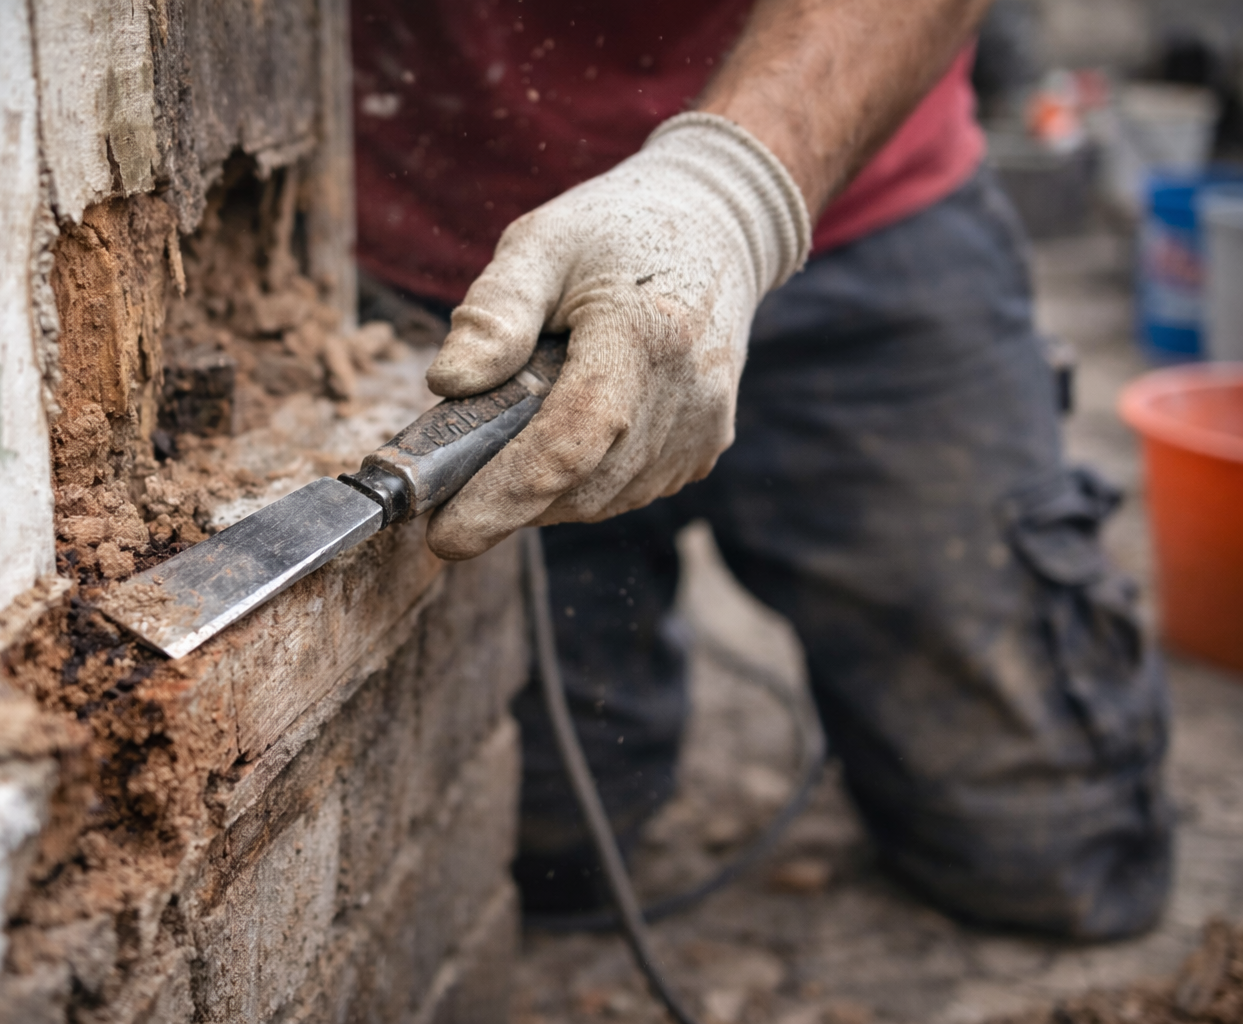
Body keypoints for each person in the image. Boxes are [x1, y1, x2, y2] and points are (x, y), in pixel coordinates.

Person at [351, 0, 1172, 939]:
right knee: (545, 854)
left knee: (1054, 852)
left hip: (847, 206)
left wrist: (729, 191)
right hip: (468, 271)